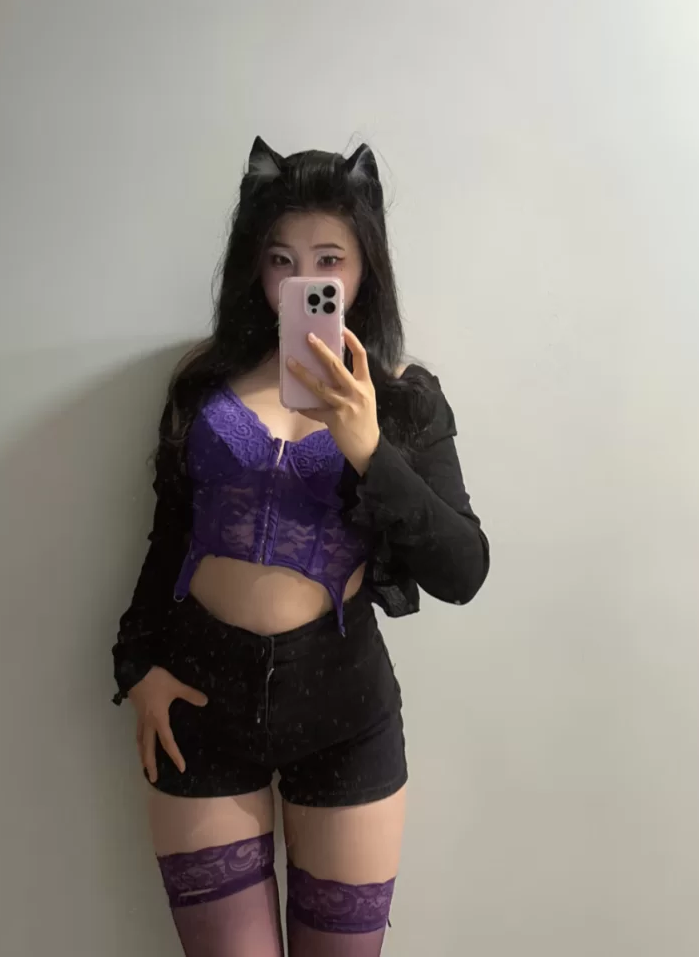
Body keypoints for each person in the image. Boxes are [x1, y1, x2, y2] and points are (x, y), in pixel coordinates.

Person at [111, 137, 490, 957]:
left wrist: (367, 446)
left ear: (363, 268)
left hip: (343, 706)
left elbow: (463, 569)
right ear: (255, 265)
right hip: (200, 703)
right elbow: (167, 538)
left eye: (328, 260)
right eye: (281, 259)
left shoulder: (404, 398)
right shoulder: (203, 382)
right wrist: (136, 667)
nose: (301, 279)